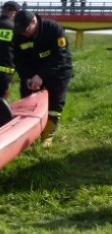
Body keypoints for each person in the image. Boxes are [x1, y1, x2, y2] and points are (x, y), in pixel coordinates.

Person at [13, 10, 74, 147]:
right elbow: (18, 60)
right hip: (32, 71)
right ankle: (31, 133)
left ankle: (47, 136)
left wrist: (41, 76)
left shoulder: (54, 29)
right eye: (20, 30)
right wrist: (28, 77)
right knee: (28, 102)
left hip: (58, 69)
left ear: (34, 21)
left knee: (55, 104)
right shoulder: (18, 34)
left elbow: (60, 57)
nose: (23, 33)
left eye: (25, 29)